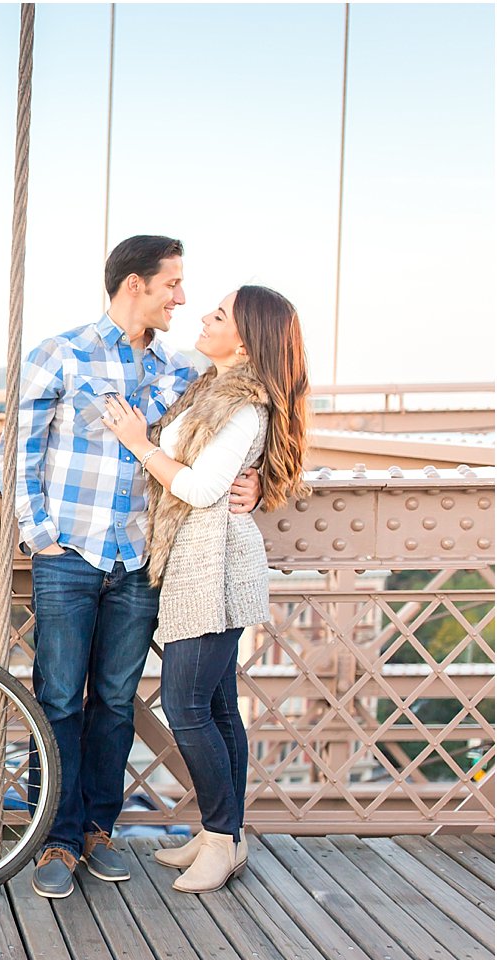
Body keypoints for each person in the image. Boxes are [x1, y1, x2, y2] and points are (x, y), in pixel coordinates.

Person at [5, 235, 262, 900]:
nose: (183, 297)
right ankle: (53, 841)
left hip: (141, 561)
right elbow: (17, 452)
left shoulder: (182, 370)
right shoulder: (60, 355)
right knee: (58, 700)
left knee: (116, 703)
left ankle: (97, 830)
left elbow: (233, 430)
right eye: (172, 284)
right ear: (134, 287)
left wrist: (259, 479)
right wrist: (41, 535)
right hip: (70, 556)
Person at [102, 284, 308, 892]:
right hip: (195, 560)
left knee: (188, 707)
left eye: (218, 315)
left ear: (243, 341)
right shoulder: (212, 389)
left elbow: (196, 488)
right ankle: (227, 835)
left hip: (213, 568)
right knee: (217, 707)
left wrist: (139, 445)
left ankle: (221, 839)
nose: (202, 315)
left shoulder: (245, 407)